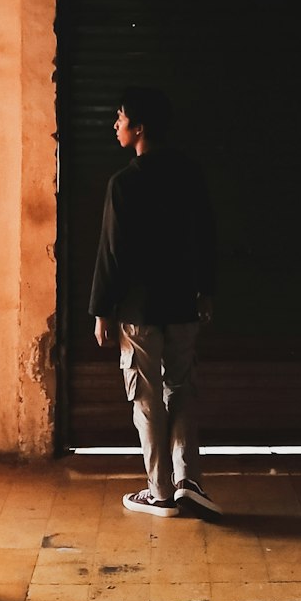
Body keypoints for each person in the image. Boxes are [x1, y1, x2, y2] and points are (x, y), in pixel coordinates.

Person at [90, 84, 221, 517]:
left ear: (139, 127)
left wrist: (102, 311)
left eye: (121, 118)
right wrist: (206, 290)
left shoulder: (124, 184)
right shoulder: (191, 173)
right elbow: (206, 238)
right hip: (183, 304)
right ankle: (188, 481)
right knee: (181, 389)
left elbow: (112, 253)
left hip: (138, 311)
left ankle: (159, 490)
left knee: (146, 397)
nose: (115, 125)